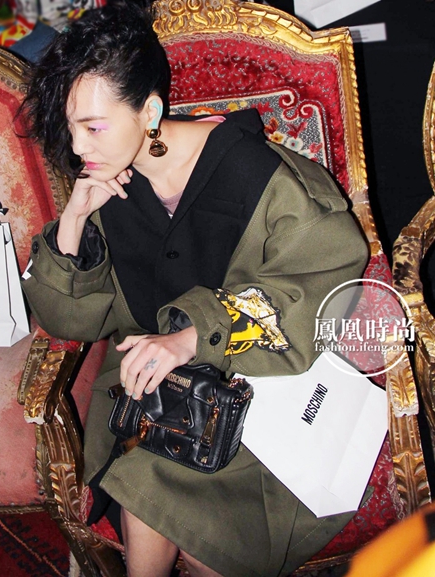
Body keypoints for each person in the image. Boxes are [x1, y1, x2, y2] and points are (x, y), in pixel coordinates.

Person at [20, 2, 369, 576]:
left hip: (264, 400)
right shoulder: (107, 191)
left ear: (150, 111)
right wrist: (74, 223)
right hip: (157, 403)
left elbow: (319, 291)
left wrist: (192, 336)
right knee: (154, 483)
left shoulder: (258, 177)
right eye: (72, 127)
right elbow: (68, 322)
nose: (79, 148)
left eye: (94, 126)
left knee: (170, 505)